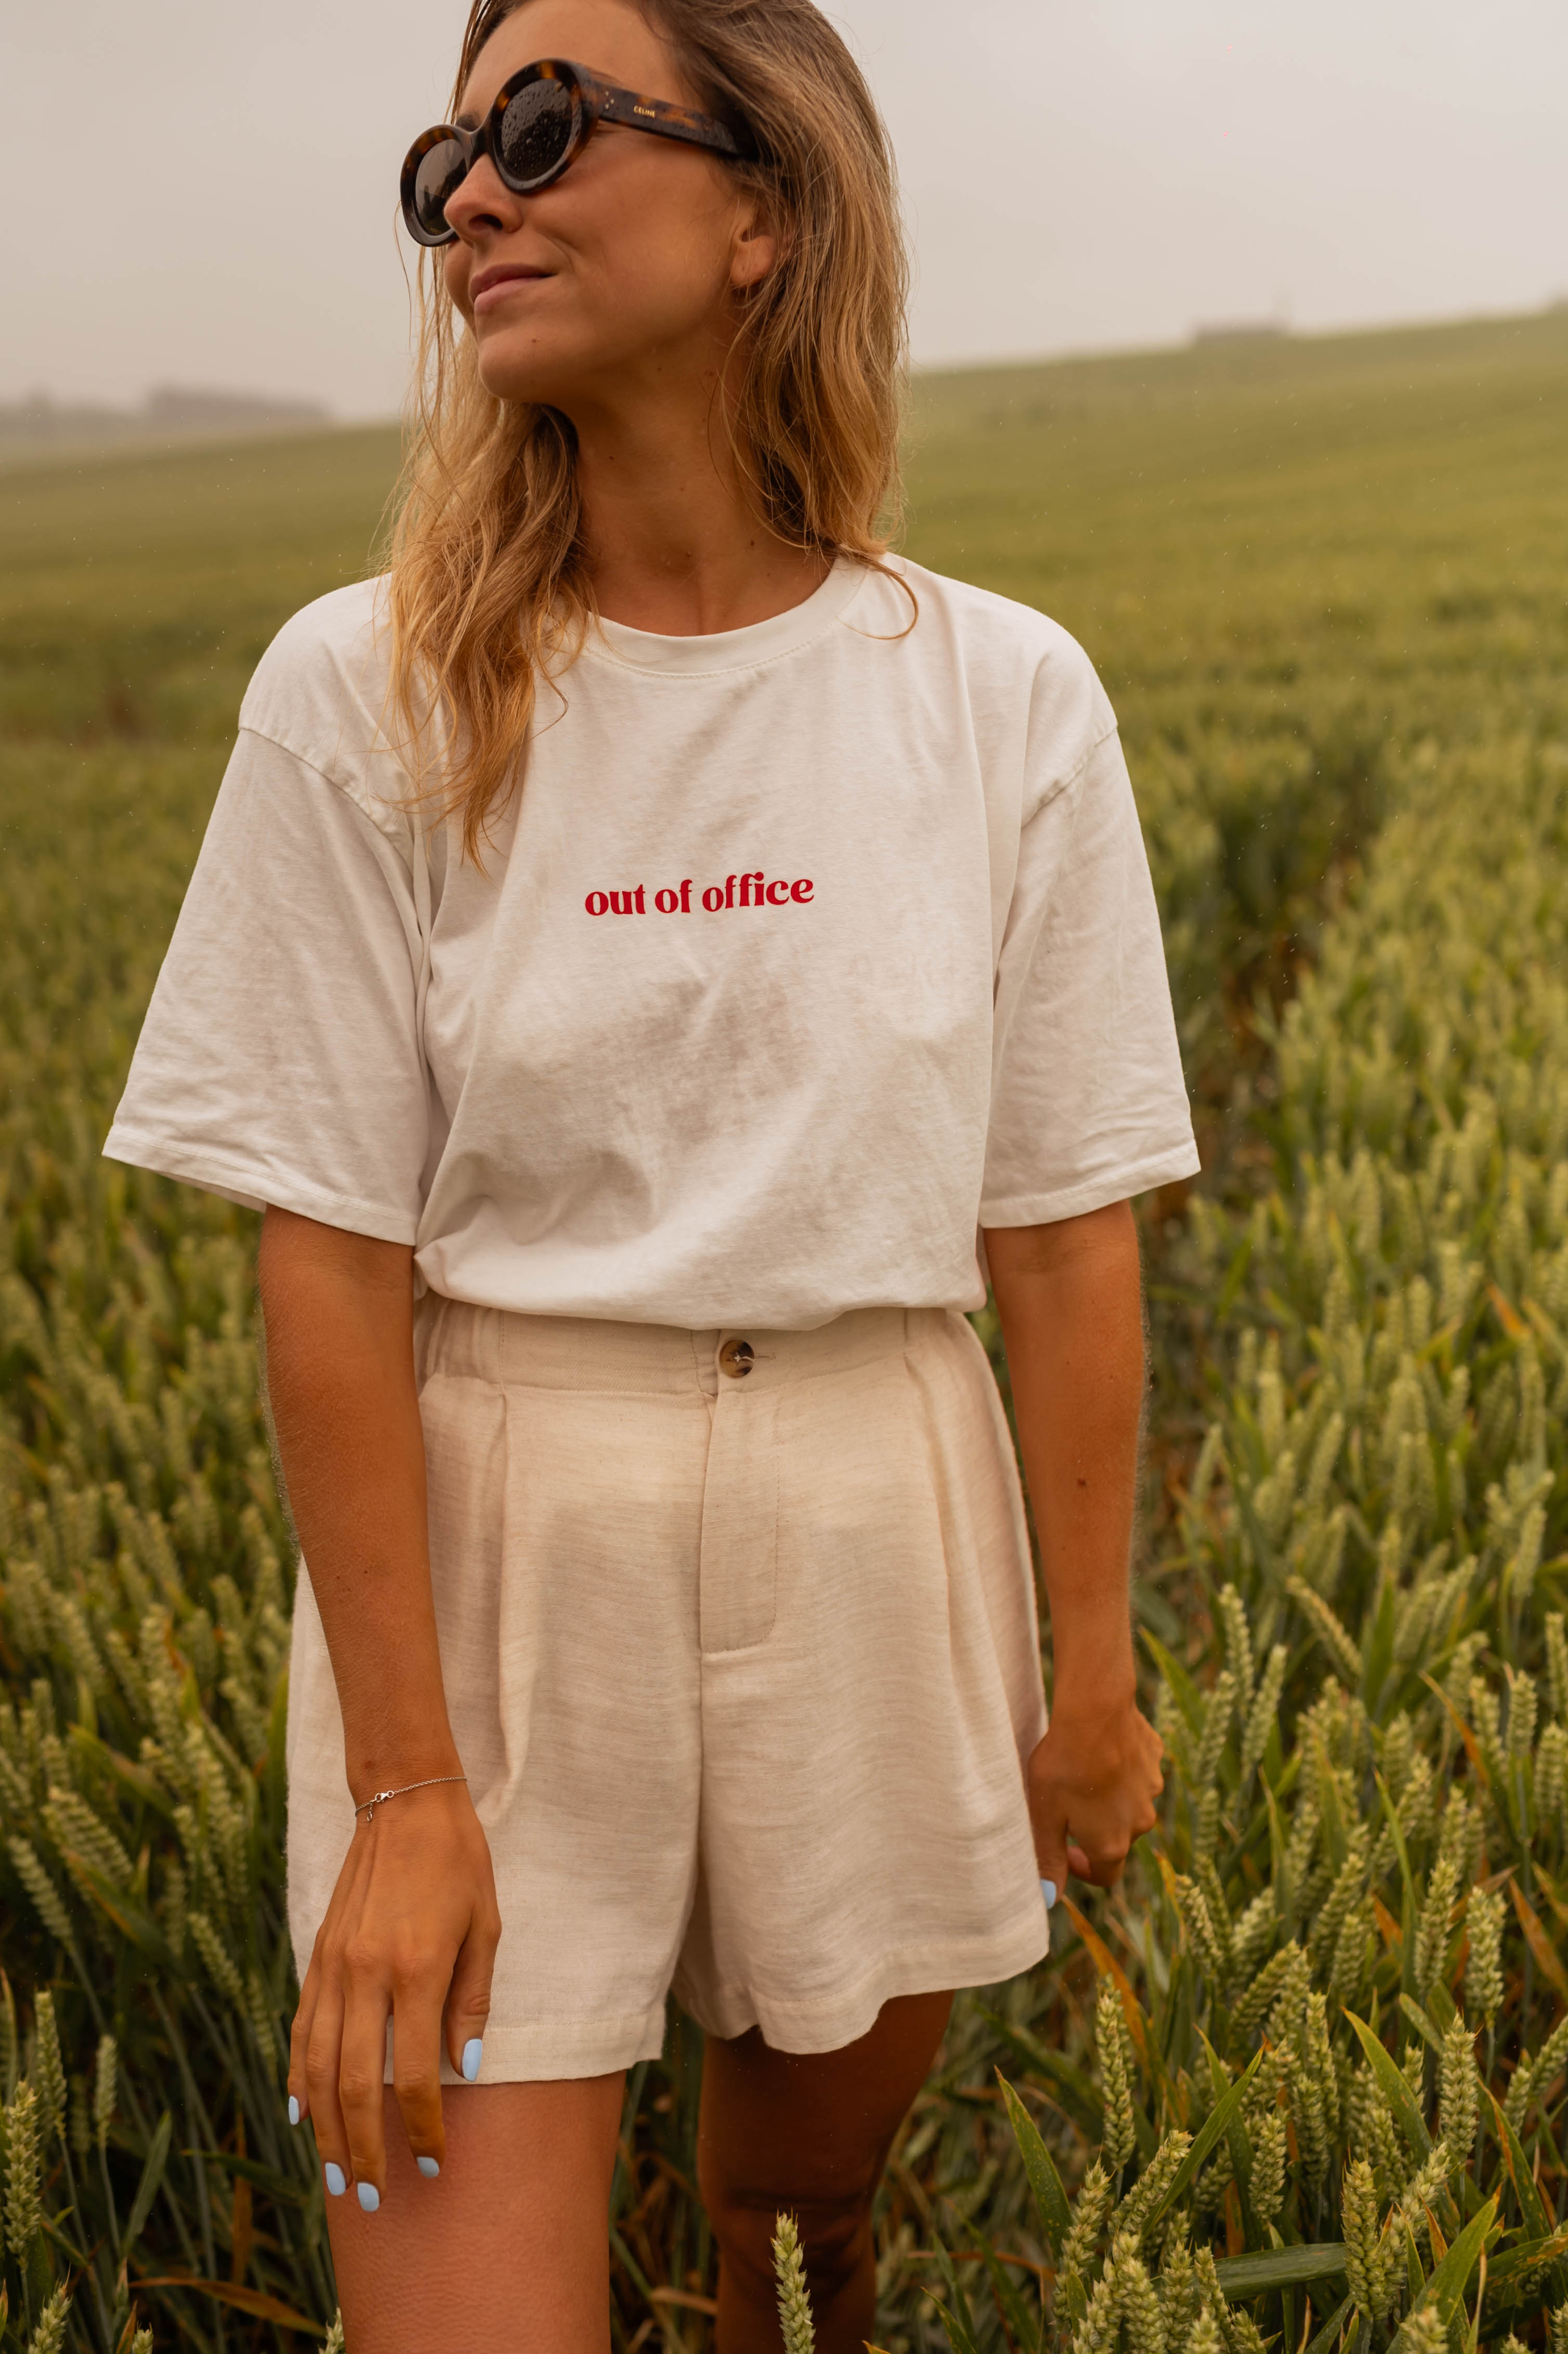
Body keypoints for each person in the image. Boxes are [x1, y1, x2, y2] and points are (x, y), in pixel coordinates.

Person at [104, 0, 1195, 2344]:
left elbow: (1063, 1220)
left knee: (798, 2224)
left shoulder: (999, 695)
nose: (471, 195)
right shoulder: (361, 687)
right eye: (446, 161)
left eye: (541, 124)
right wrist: (405, 1791)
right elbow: (326, 1259)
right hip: (510, 1546)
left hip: (877, 1499)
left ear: (763, 213)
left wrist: (1086, 1672)